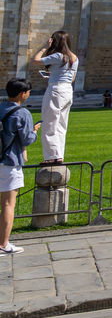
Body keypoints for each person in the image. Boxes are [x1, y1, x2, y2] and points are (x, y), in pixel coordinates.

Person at [1, 79, 40, 254]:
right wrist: (35, 132)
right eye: (28, 92)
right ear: (22, 94)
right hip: (10, 161)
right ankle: (3, 244)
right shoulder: (23, 113)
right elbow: (26, 139)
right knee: (8, 205)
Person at [33, 31, 78, 165]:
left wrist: (44, 47)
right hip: (68, 90)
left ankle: (51, 157)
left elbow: (35, 61)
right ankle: (59, 155)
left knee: (49, 123)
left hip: (56, 89)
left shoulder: (58, 56)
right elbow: (73, 77)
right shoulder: (74, 57)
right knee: (61, 125)